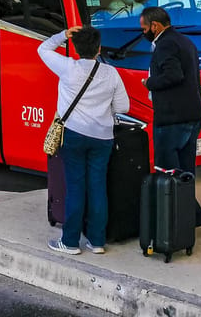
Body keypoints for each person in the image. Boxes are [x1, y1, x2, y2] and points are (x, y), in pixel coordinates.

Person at [39, 25, 129, 255]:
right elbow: (123, 107)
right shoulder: (111, 73)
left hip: (74, 135)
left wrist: (63, 35)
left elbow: (43, 49)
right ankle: (97, 242)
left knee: (75, 187)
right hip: (103, 138)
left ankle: (69, 242)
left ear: (76, 49)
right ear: (99, 49)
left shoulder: (68, 67)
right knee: (98, 187)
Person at [140, 7, 201, 226]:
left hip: (173, 118)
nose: (143, 32)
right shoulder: (184, 41)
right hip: (192, 115)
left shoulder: (165, 44)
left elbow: (173, 75)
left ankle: (176, 220)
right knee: (186, 171)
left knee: (168, 172)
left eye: (144, 27)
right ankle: (189, 217)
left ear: (155, 26)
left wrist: (149, 83)